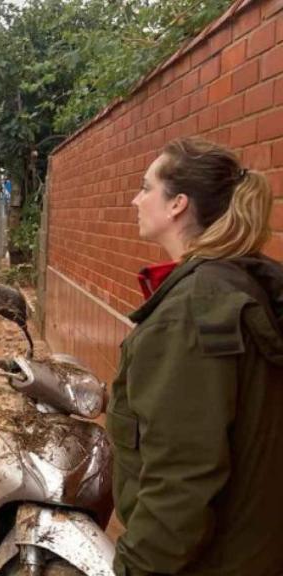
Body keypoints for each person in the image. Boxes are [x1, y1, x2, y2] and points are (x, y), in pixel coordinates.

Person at [109, 137, 283, 575]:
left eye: (146, 187)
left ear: (177, 205)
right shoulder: (236, 280)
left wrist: (136, 567)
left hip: (209, 561)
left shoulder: (192, 309)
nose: (136, 199)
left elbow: (182, 477)